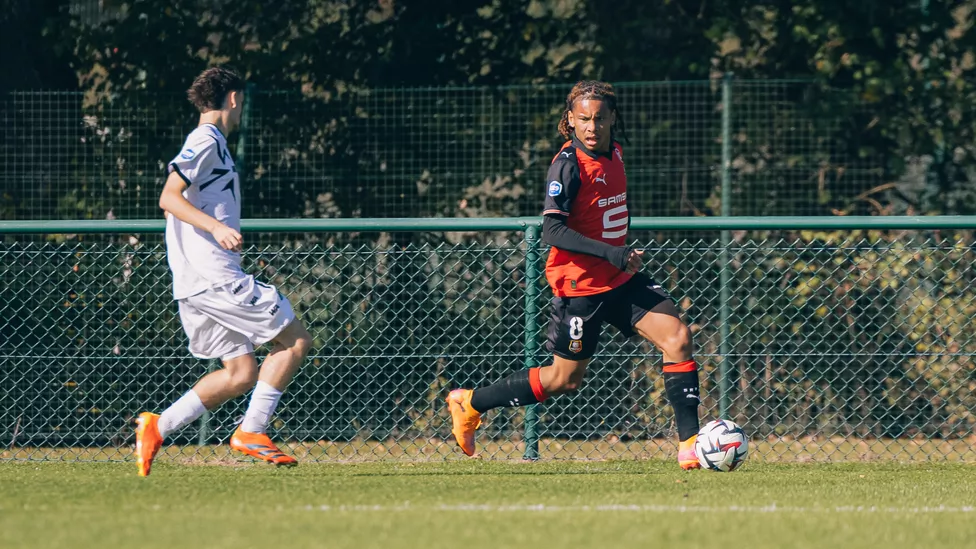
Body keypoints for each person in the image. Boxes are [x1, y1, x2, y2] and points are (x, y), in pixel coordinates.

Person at [446, 80, 702, 469]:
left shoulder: (615, 152)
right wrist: (613, 253)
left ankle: (690, 447)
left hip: (619, 280)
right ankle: (470, 403)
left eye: (599, 118)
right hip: (580, 286)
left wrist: (621, 256)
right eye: (583, 119)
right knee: (563, 380)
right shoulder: (566, 165)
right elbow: (553, 231)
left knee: (678, 338)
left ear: (612, 119)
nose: (591, 126)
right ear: (570, 119)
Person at [134, 66, 312, 476]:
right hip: (215, 277)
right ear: (233, 99)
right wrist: (216, 226)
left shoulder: (211, 143)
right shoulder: (206, 139)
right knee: (295, 341)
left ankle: (158, 426)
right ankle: (252, 430)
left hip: (195, 283)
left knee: (240, 373)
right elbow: (168, 197)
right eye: (241, 102)